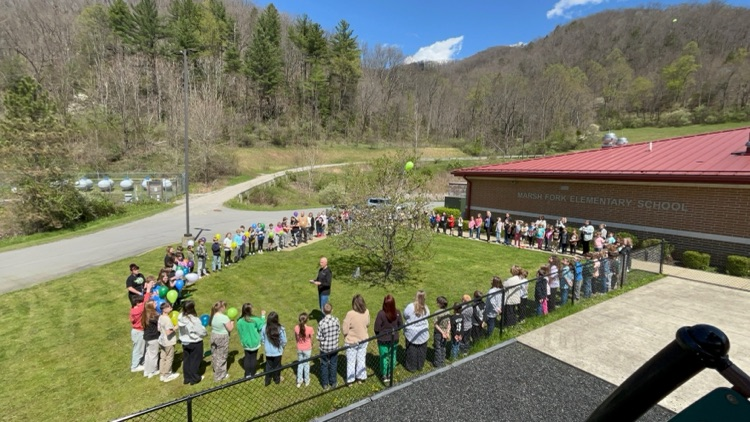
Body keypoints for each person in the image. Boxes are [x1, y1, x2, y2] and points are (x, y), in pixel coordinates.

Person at [374, 294, 402, 383]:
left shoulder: (381, 314)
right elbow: (400, 326)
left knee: (384, 357)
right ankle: (390, 373)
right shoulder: (397, 312)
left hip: (383, 340)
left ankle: (384, 375)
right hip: (394, 339)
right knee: (392, 356)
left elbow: (376, 328)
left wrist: (380, 334)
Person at [178, 300, 207, 385]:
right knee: (195, 360)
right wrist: (205, 332)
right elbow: (201, 331)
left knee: (187, 360)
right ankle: (195, 378)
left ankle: (187, 378)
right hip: (195, 342)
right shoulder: (194, 320)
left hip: (185, 342)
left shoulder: (180, 316)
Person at [343, 294, 370, 385]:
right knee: (361, 359)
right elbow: (368, 323)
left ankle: (350, 380)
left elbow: (345, 329)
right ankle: (360, 378)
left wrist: (346, 335)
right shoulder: (366, 312)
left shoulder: (350, 314)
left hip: (352, 341)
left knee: (351, 361)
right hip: (363, 340)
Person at [129, 277, 154, 372]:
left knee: (141, 348)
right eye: (140, 302)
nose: (141, 303)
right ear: (136, 303)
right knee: (138, 349)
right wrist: (148, 290)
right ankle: (135, 366)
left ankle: (141, 362)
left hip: (138, 331)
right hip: (138, 332)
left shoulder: (134, 309)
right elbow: (145, 303)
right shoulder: (137, 310)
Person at [403, 290, 430, 372]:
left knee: (411, 350)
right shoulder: (425, 308)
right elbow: (428, 315)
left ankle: (412, 367)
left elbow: (405, 315)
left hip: (412, 333)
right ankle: (420, 366)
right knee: (422, 350)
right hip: (422, 333)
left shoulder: (410, 307)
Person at [237, 303, 265, 378]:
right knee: (253, 358)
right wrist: (263, 315)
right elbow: (262, 325)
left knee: (247, 357)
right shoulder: (255, 320)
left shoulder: (239, 321)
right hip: (254, 342)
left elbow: (240, 331)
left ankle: (247, 374)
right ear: (249, 310)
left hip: (245, 343)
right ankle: (252, 374)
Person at [317, 303, 340, 390]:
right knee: (333, 364)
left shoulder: (321, 323)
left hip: (324, 348)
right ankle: (333, 382)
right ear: (332, 310)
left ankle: (325, 384)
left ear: (323, 311)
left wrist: (324, 339)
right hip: (334, 347)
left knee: (324, 365)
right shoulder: (336, 320)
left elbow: (318, 337)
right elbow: (338, 332)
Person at [209, 301, 234, 382]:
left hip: (214, 336)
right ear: (221, 308)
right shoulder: (224, 318)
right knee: (222, 356)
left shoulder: (213, 315)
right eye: (224, 306)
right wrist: (232, 322)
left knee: (215, 354)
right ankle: (220, 376)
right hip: (222, 338)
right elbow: (230, 329)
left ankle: (216, 369)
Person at [261, 311, 287, 386]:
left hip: (268, 352)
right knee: (277, 366)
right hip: (278, 352)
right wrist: (282, 347)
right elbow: (284, 341)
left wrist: (265, 344)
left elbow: (262, 339)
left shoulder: (264, 328)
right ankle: (277, 379)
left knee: (268, 366)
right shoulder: (280, 328)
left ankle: (267, 381)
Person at [157, 302, 180, 382]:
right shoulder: (167, 319)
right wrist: (175, 327)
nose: (171, 308)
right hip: (168, 342)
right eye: (170, 307)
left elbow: (158, 329)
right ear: (165, 309)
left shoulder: (160, 317)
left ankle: (162, 374)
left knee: (163, 357)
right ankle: (167, 374)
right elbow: (168, 332)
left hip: (161, 340)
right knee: (169, 358)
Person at [141, 301, 161, 378]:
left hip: (147, 337)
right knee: (153, 354)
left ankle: (146, 370)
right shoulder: (154, 316)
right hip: (153, 338)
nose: (156, 304)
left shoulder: (145, 314)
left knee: (148, 354)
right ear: (151, 307)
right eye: (154, 304)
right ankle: (152, 371)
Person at [295, 312, 314, 387]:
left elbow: (296, 338)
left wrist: (298, 343)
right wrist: (311, 344)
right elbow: (311, 338)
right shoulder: (310, 329)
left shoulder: (296, 328)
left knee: (300, 364)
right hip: (307, 349)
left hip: (300, 348)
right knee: (306, 364)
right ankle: (307, 380)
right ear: (307, 320)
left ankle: (299, 380)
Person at [433, 296, 450, 368]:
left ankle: (437, 363)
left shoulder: (437, 313)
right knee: (443, 346)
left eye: (437, 302)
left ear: (440, 304)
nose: (436, 303)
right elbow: (449, 323)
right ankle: (443, 360)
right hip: (445, 333)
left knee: (438, 348)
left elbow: (435, 324)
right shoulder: (448, 312)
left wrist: (442, 332)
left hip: (438, 333)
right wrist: (447, 332)